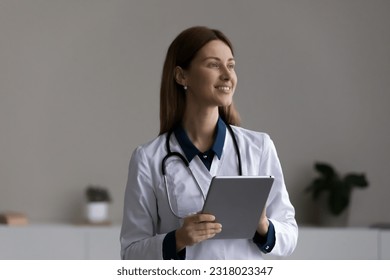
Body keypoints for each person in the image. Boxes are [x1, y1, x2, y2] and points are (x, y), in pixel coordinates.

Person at [120, 26, 298, 260]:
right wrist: (179, 239)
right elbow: (130, 253)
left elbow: (289, 235)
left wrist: (263, 226)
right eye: (214, 65)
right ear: (182, 76)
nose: (227, 74)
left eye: (231, 65)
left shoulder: (259, 147)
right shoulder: (148, 158)